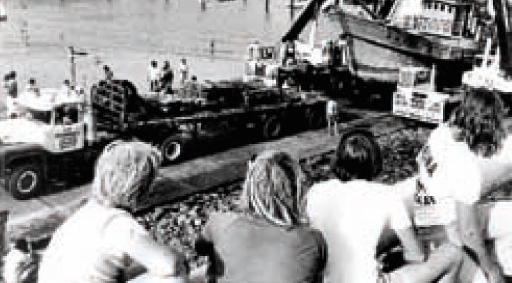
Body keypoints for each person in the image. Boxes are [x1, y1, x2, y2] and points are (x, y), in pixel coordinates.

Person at [306, 134, 463, 283]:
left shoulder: (317, 191)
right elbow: (416, 256)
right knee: (452, 253)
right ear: (375, 162)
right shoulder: (387, 195)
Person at [38, 140, 188, 283]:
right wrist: (179, 257)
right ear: (141, 187)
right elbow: (168, 265)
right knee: (176, 273)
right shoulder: (120, 225)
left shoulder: (85, 213)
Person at [415, 87, 508, 282]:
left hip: (425, 223)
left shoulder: (440, 133)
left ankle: (501, 261)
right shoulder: (465, 165)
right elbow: (468, 233)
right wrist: (491, 270)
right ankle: (497, 271)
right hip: (450, 237)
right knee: (487, 272)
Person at [195, 150, 327, 283]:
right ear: (296, 190)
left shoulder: (220, 223)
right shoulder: (311, 240)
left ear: (249, 186)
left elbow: (200, 248)